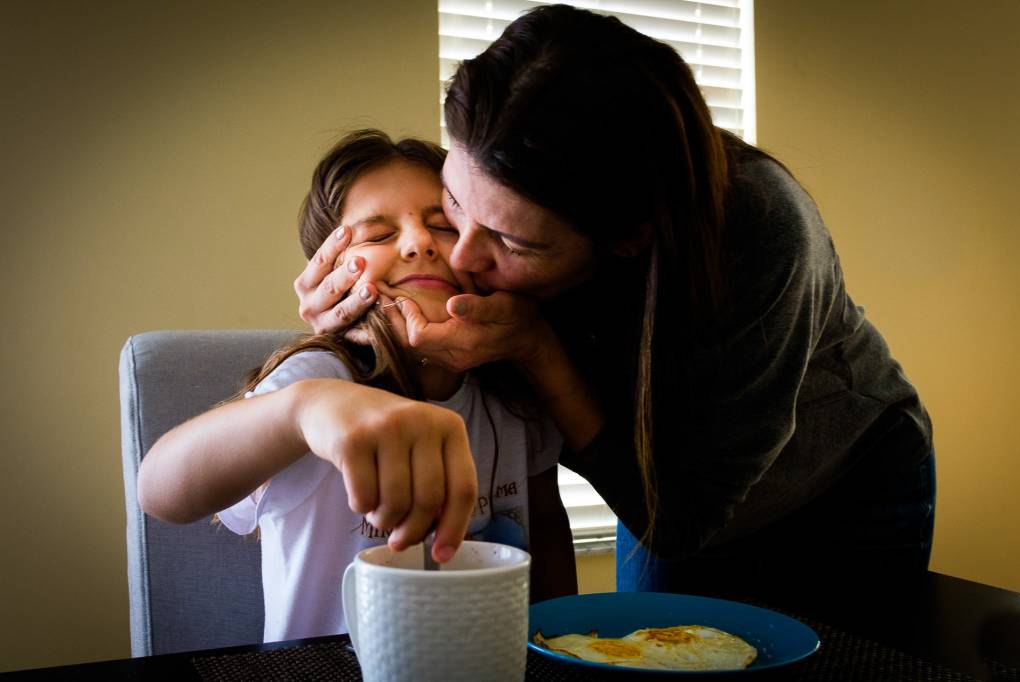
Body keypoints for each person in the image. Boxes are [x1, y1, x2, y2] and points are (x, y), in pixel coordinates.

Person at [294, 5, 935, 605]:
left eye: (510, 241)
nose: (458, 259)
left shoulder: (761, 230)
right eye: (456, 204)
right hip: (649, 484)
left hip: (835, 489)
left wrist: (536, 348)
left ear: (628, 241)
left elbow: (681, 520)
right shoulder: (486, 222)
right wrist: (363, 324)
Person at [137, 129, 577, 643]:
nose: (417, 244)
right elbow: (160, 491)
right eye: (376, 235)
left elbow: (544, 526)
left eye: (442, 225)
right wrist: (301, 410)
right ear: (328, 271)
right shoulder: (323, 377)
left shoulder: (512, 385)